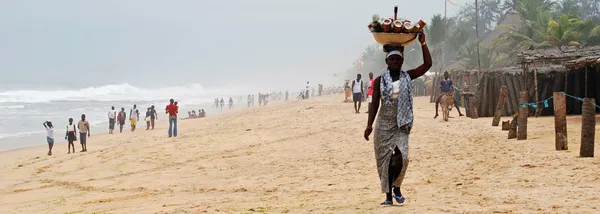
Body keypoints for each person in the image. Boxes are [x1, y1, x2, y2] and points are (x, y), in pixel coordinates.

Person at [364, 32, 431, 206]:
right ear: (386, 62)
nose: (395, 62)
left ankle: (396, 187)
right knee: (385, 159)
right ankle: (388, 195)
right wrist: (369, 125)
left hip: (401, 123)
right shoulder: (379, 81)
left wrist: (423, 43)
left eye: (398, 60)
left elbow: (427, 65)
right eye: (392, 60)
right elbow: (374, 104)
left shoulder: (408, 76)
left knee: (403, 157)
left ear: (402, 62)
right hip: (383, 123)